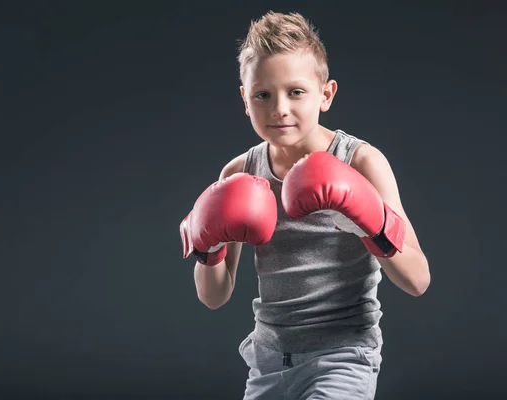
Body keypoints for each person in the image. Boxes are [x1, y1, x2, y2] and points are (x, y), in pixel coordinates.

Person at [179, 10, 430, 400]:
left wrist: (371, 224)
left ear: (326, 95)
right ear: (245, 99)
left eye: (296, 91)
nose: (279, 108)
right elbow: (214, 297)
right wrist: (207, 246)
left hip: (343, 356)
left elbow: (418, 279)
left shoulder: (361, 161)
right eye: (263, 94)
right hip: (268, 360)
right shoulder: (240, 172)